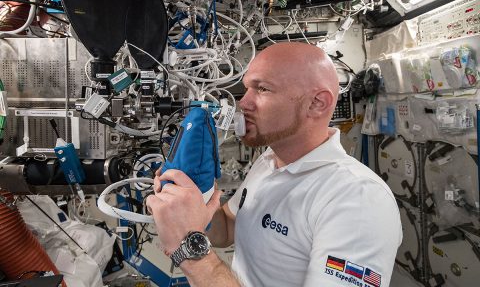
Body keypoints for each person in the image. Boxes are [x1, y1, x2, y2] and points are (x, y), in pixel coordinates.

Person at [146, 42, 402, 287]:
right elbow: (228, 229)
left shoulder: (358, 199)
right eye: (247, 88)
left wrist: (190, 248)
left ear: (317, 103)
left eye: (263, 89)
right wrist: (193, 200)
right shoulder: (269, 161)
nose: (243, 102)